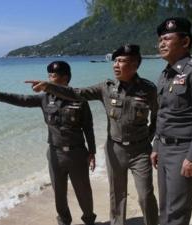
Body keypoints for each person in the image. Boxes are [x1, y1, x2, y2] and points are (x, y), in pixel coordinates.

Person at [26, 45, 159, 225]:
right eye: (115, 61)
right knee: (117, 195)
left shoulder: (148, 89)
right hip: (115, 149)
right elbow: (76, 93)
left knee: (145, 194)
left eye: (121, 61)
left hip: (141, 150)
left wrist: (151, 142)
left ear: (135, 64)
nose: (116, 65)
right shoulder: (106, 87)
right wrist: (50, 86)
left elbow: (158, 118)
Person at [0, 61, 97, 225]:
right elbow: (21, 99)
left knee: (83, 192)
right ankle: (64, 221)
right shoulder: (45, 99)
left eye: (52, 76)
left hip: (77, 154)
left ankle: (89, 220)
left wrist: (92, 152)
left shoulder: (79, 99)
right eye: (48, 75)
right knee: (59, 194)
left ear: (65, 78)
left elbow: (88, 127)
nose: (48, 79)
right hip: (55, 153)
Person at [151, 17, 192, 225]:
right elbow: (162, 113)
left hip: (183, 150)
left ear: (185, 42)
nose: (161, 43)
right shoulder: (165, 74)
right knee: (165, 207)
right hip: (163, 148)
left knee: (177, 210)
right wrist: (155, 145)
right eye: (160, 39)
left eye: (167, 38)